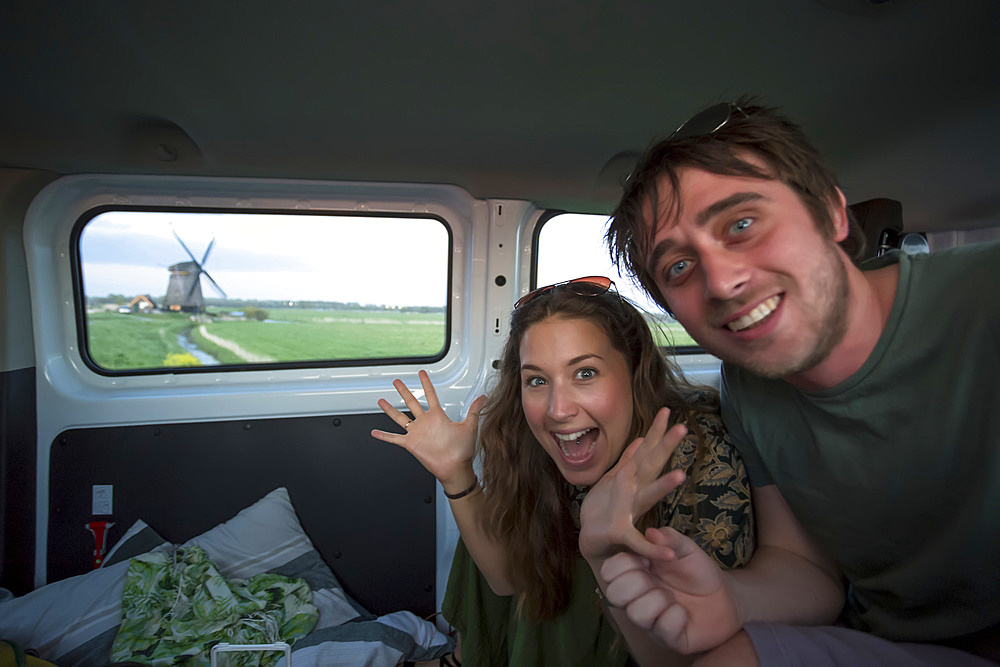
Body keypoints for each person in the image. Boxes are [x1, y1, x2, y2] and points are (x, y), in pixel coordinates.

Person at [600, 97, 1000, 665]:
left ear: (833, 214)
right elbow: (805, 567)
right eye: (680, 268)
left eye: (741, 224)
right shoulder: (747, 387)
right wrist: (731, 599)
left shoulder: (985, 297)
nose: (722, 281)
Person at [371, 277, 754, 666]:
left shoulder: (698, 454)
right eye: (537, 380)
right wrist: (456, 474)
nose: (557, 409)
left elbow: (703, 641)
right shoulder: (529, 445)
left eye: (585, 373)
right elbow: (507, 580)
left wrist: (606, 555)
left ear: (636, 372)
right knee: (501, 521)